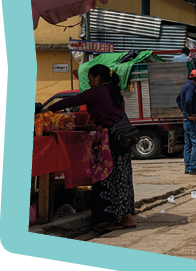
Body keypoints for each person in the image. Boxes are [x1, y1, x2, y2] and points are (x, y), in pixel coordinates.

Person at [45, 64, 136, 232]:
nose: (89, 81)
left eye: (90, 78)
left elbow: (72, 101)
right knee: (122, 179)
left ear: (98, 78)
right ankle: (125, 217)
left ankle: (115, 219)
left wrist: (46, 109)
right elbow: (110, 117)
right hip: (121, 141)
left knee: (106, 179)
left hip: (109, 143)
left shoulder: (97, 92)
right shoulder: (115, 92)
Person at [177, 69, 196, 175]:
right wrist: (189, 114)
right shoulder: (191, 87)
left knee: (188, 144)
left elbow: (178, 100)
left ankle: (188, 167)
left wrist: (184, 112)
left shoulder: (185, 86)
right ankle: (194, 167)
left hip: (186, 120)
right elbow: (188, 100)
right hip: (191, 120)